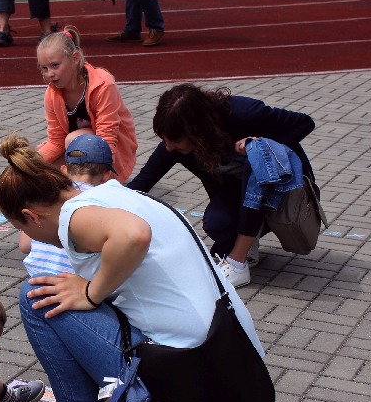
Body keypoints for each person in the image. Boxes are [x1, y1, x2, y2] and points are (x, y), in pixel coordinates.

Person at [0, 136, 264, 402]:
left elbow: (133, 235)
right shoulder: (111, 193)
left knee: (36, 297)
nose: (31, 240)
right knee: (66, 295)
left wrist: (91, 292)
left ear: (31, 216)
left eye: (23, 229)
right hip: (231, 354)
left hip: (191, 367)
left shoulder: (73, 217)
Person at [126, 83, 316, 288]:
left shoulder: (245, 113)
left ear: (197, 131)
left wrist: (260, 142)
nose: (169, 146)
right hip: (242, 193)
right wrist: (101, 201)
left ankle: (237, 261)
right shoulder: (177, 143)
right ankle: (245, 239)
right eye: (163, 138)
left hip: (285, 191)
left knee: (256, 157)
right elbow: (143, 182)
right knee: (216, 223)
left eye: (175, 140)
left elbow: (305, 123)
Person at [36, 26, 138, 181]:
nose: (49, 74)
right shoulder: (52, 93)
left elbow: (107, 137)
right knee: (42, 173)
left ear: (75, 58)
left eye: (55, 65)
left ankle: (94, 183)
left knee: (73, 139)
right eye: (44, 68)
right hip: (79, 151)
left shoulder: (103, 84)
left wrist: (106, 179)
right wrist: (28, 163)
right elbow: (56, 141)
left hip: (109, 151)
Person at [20, 132, 117, 275]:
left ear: (64, 170)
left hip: (36, 281)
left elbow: (24, 246)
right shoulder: (107, 203)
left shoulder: (45, 195)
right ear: (106, 176)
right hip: (74, 285)